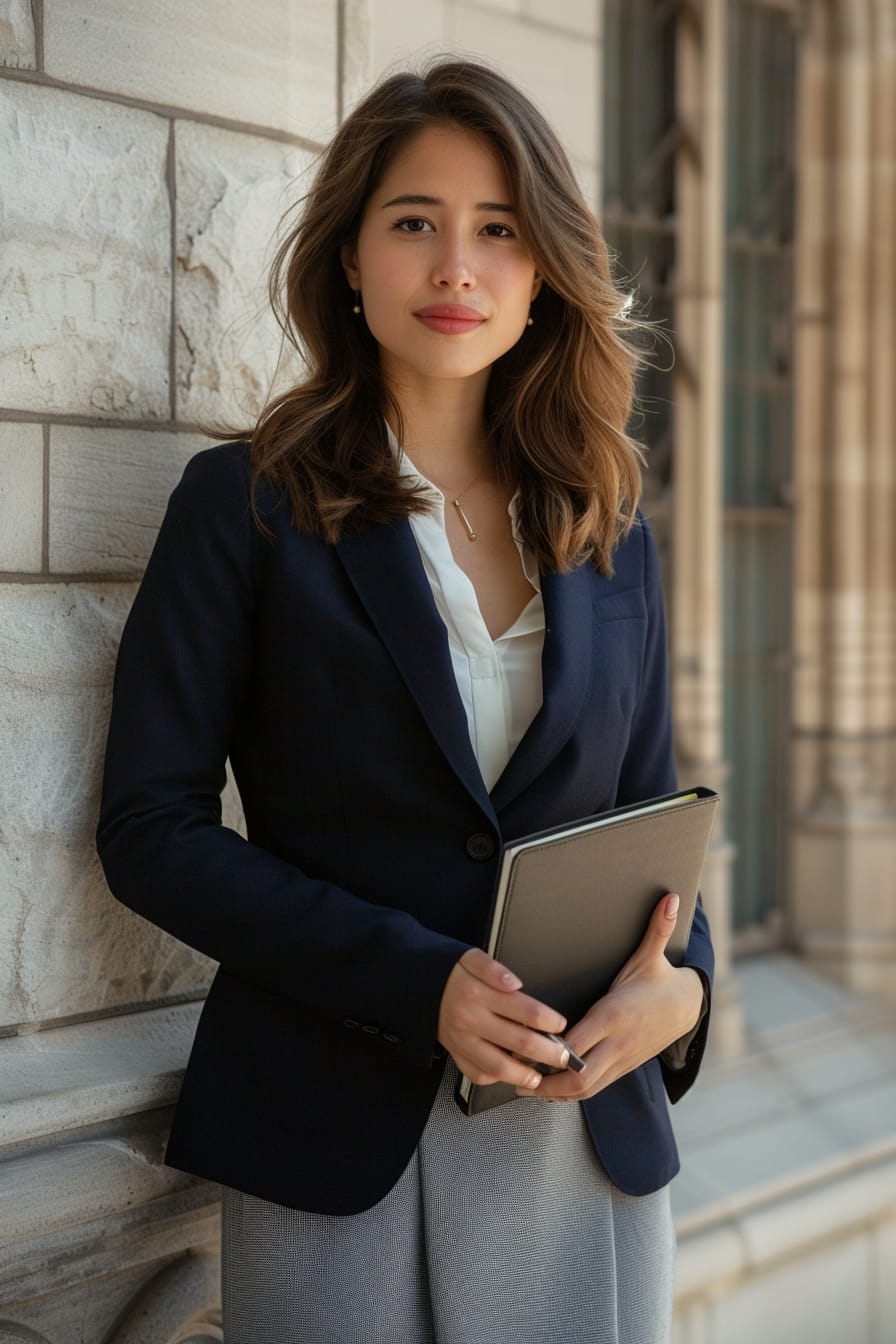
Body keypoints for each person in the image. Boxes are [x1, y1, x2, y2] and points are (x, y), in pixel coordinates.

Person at [97, 58, 712, 1344]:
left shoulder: (610, 531)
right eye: (414, 223)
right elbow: (150, 828)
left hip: (576, 1148)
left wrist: (683, 993)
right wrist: (414, 979)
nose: (455, 268)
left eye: (498, 230)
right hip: (333, 1140)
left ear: (543, 271)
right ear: (351, 261)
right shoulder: (243, 506)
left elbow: (656, 822)